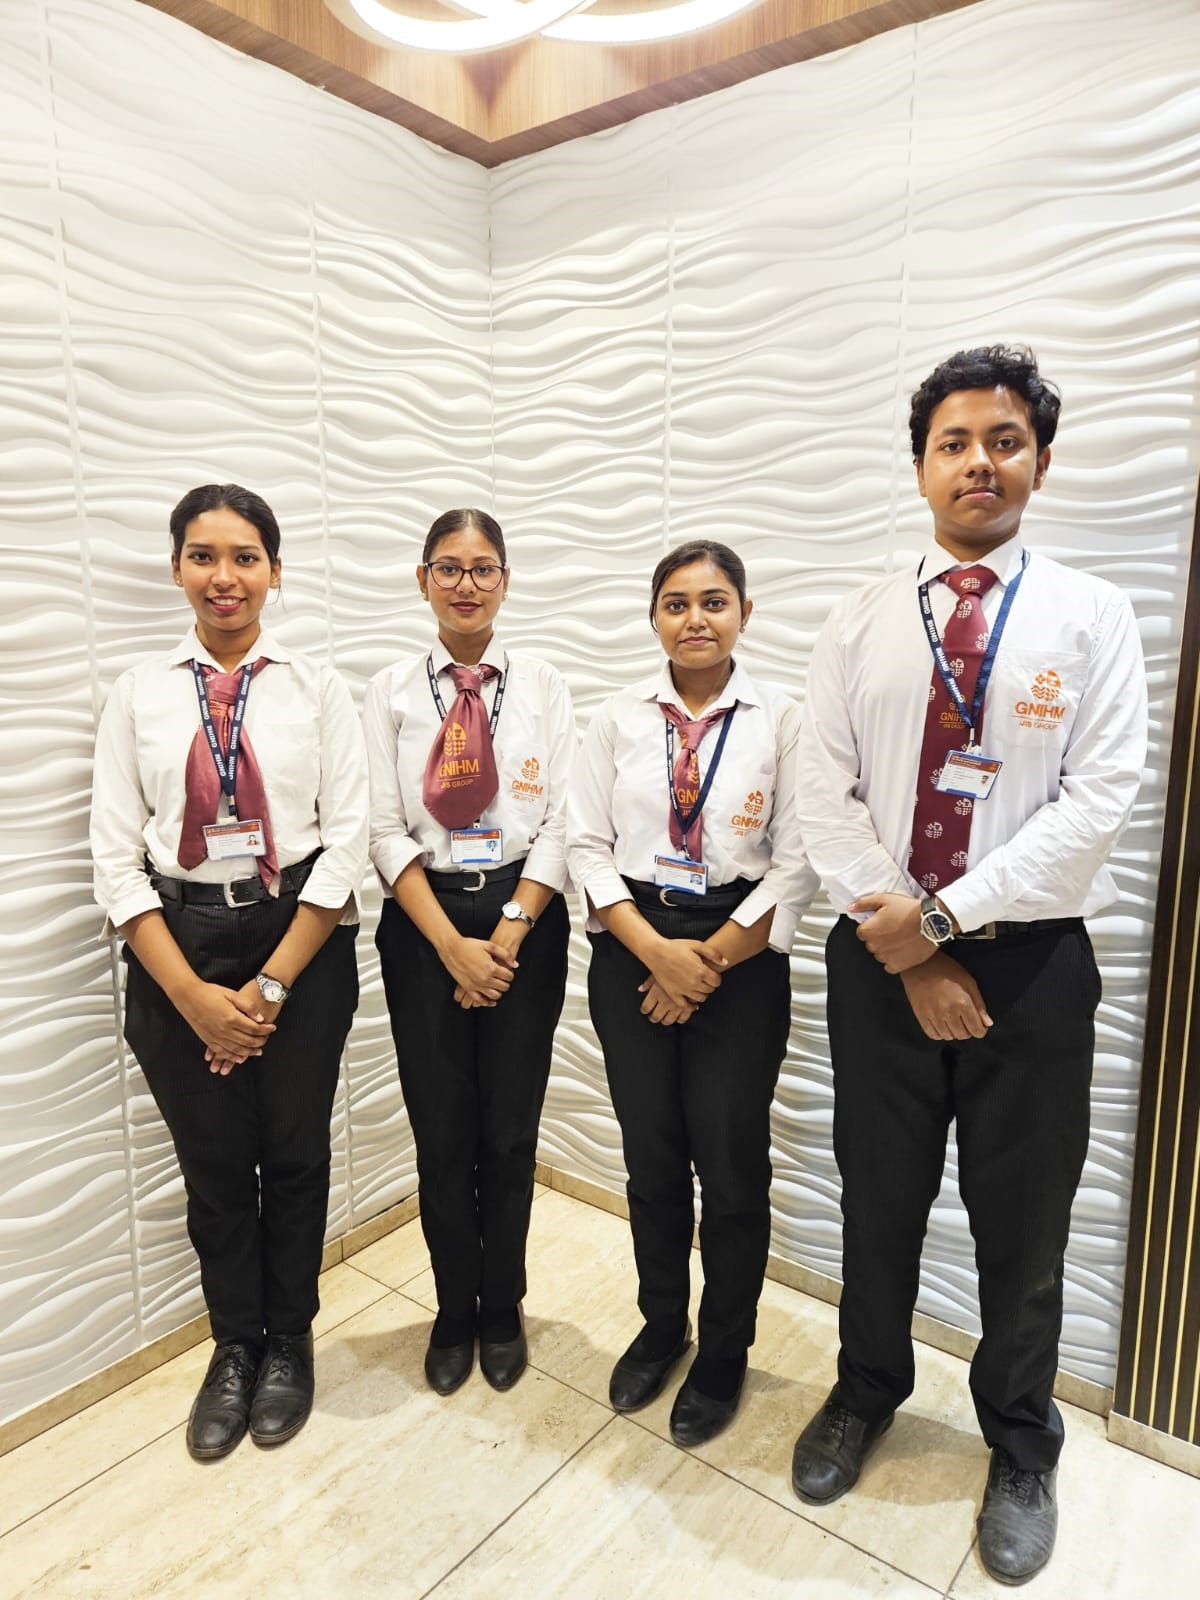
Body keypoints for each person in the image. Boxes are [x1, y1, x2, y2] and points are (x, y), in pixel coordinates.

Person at [791, 346, 1147, 1584]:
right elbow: (823, 791)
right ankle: (865, 1390)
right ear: (921, 467)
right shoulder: (859, 616)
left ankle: (1023, 1443)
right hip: (878, 960)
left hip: (1033, 968)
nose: (978, 462)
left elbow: (1099, 799)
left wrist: (942, 924)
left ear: (1041, 460)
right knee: (878, 1200)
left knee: (1023, 1223)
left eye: (1004, 440)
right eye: (954, 442)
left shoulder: (1091, 615)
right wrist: (907, 945)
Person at [90, 484, 368, 1462]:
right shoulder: (138, 693)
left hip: (299, 940)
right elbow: (114, 859)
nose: (225, 576)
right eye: (203, 555)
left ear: (274, 572)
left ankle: (289, 1340)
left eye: (245, 556)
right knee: (213, 1169)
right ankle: (234, 1345)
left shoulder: (317, 689)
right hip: (179, 945)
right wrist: (193, 998)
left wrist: (269, 989)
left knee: (293, 1156)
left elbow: (345, 846)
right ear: (177, 568)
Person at [567, 539, 817, 1447]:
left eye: (714, 601)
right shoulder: (617, 718)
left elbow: (798, 861)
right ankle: (662, 1324)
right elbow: (585, 844)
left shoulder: (784, 719)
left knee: (733, 1167)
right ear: (654, 618)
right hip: (631, 949)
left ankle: (724, 1351)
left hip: (738, 962)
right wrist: (653, 953)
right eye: (676, 603)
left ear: (745, 613)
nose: (695, 619)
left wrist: (703, 963)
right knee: (653, 1160)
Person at [364, 508, 573, 1396]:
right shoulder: (390, 691)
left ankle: (502, 1305)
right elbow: (381, 828)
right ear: (422, 581)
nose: (466, 584)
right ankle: (455, 1307)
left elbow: (564, 821)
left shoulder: (544, 684)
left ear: (506, 581)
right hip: (426, 925)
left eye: (483, 568)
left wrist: (509, 932)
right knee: (443, 1129)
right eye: (447, 568)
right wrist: (451, 944)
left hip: (525, 917)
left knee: (510, 1130)